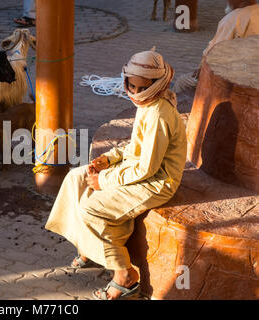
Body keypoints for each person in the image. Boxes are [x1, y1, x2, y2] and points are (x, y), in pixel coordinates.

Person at [45, 49, 187, 300]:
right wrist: (109, 159)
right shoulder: (148, 103)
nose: (133, 92)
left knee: (92, 208)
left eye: (139, 87)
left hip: (156, 182)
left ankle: (125, 276)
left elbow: (147, 169)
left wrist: (105, 180)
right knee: (75, 179)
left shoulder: (157, 113)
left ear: (155, 85)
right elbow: (136, 147)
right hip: (138, 170)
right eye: (130, 86)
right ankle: (89, 247)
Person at [173, 0, 259, 92]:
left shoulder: (234, 18)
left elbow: (213, 54)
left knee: (182, 82)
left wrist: (202, 68)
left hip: (237, 79)